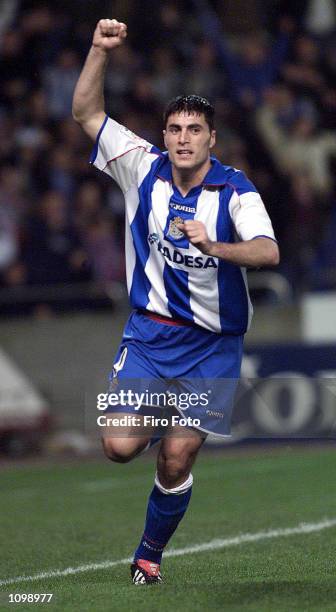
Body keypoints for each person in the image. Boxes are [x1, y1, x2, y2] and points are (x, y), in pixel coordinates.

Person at [72, 18, 279, 585]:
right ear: (163, 135)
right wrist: (97, 51)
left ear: (212, 138)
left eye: (195, 128)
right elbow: (87, 113)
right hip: (150, 336)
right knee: (117, 445)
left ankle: (148, 555)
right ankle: (179, 420)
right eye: (174, 128)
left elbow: (267, 252)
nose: (183, 137)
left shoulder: (235, 190)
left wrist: (215, 245)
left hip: (212, 346)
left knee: (176, 458)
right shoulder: (141, 167)